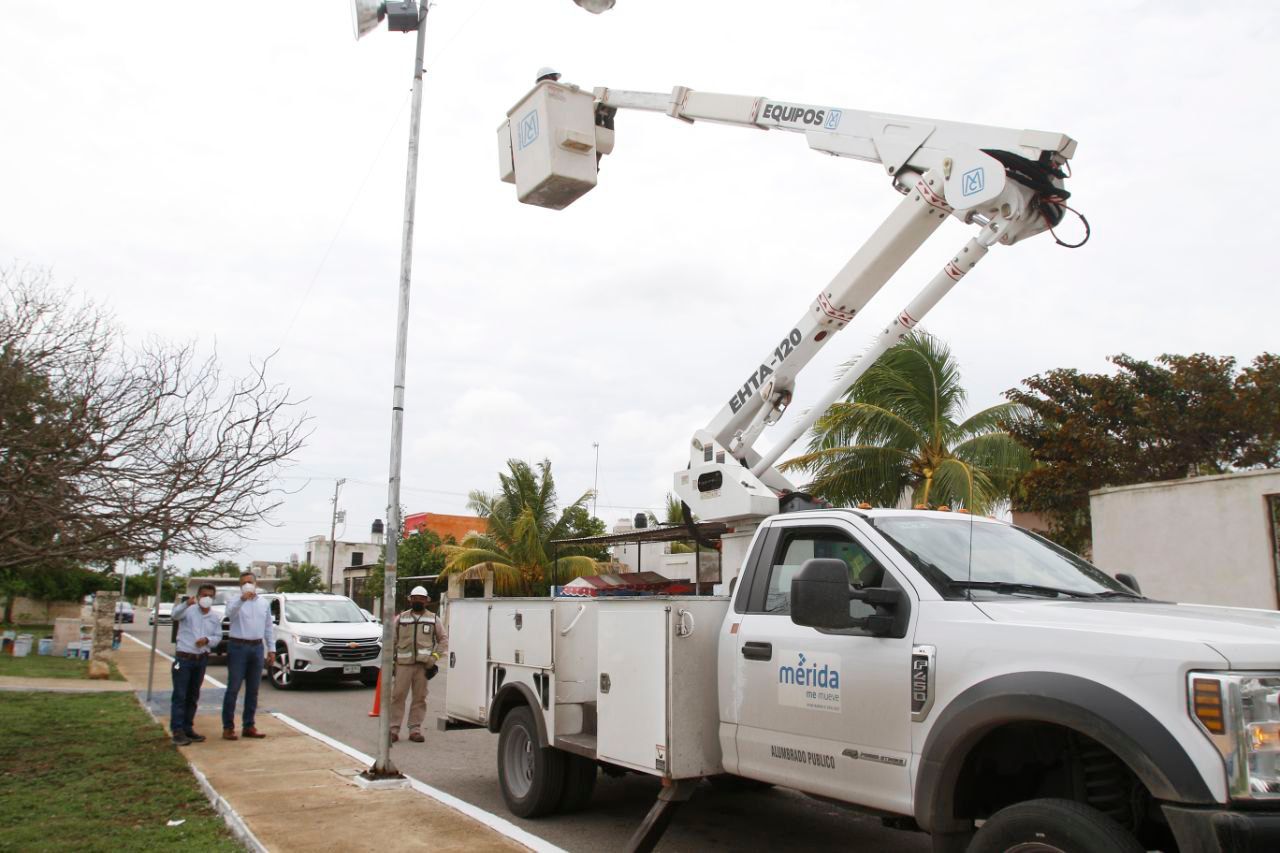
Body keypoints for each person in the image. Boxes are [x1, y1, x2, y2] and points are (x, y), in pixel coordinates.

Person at [390, 586, 448, 744]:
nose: (417, 600)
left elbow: (443, 640)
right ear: (410, 599)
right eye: (415, 598)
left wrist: (434, 658)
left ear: (426, 601)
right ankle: (393, 730)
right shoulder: (401, 618)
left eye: (421, 598)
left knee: (419, 698)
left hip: (423, 667)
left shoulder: (433, 619)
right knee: (398, 697)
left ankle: (415, 730)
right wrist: (392, 662)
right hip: (403, 665)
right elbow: (392, 640)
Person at [221, 571, 274, 740]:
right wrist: (242, 598)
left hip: (256, 647)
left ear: (256, 583)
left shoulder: (263, 603)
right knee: (234, 687)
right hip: (238, 646)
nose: (247, 585)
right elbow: (229, 614)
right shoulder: (234, 600)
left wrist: (271, 649)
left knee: (253, 689)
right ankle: (228, 726)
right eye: (243, 583)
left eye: (250, 582)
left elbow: (268, 627)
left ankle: (249, 725)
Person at [169, 583, 222, 746]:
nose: (207, 598)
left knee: (193, 696)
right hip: (183, 659)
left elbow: (217, 636)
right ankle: (177, 731)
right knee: (180, 695)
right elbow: (174, 615)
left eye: (210, 596)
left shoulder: (214, 616)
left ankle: (188, 728)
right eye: (204, 595)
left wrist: (207, 640)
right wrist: (186, 603)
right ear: (198, 596)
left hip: (201, 659)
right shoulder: (188, 611)